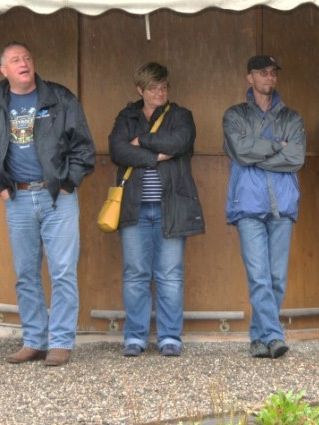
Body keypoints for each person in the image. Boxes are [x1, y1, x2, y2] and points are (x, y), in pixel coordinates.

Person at [0, 41, 96, 366]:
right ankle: (34, 340)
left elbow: (83, 145)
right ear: (4, 70)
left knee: (63, 272)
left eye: (27, 58)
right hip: (17, 198)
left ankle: (60, 342)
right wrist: (0, 186)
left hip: (57, 196)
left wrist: (68, 183)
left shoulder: (59, 97)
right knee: (26, 273)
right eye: (16, 60)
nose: (24, 63)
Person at [108, 62, 204, 357]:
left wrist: (142, 141)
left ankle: (169, 337)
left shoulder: (180, 115)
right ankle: (134, 337)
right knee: (135, 274)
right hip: (134, 208)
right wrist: (156, 156)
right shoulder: (127, 116)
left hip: (171, 206)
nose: (160, 93)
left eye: (164, 87)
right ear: (140, 90)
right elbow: (118, 150)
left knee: (170, 275)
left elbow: (180, 141)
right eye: (153, 88)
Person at [223, 55, 305, 359]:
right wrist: (277, 146)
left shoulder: (292, 118)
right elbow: (240, 151)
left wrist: (257, 152)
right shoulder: (235, 115)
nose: (269, 77)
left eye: (273, 72)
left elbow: (296, 157)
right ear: (250, 78)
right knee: (259, 276)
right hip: (248, 204)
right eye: (262, 72)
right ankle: (274, 334)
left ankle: (259, 338)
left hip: (282, 204)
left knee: (276, 278)